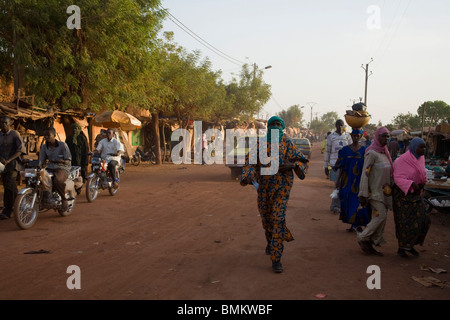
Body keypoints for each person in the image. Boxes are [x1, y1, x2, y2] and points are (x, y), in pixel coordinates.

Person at [240, 116, 309, 273]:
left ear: (282, 127)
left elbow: (302, 161)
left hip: (282, 188)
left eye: (279, 125)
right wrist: (249, 175)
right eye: (273, 125)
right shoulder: (259, 144)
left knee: (277, 218)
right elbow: (249, 162)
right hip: (264, 187)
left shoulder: (288, 143)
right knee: (266, 218)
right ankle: (270, 240)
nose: (276, 127)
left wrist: (292, 165)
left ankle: (276, 258)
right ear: (268, 127)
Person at [357, 127, 393, 256]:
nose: (386, 139)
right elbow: (365, 174)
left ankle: (370, 242)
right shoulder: (371, 153)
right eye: (384, 136)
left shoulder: (385, 153)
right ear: (378, 137)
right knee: (380, 215)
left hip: (385, 193)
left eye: (388, 136)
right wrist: (363, 193)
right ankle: (363, 237)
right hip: (374, 192)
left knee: (380, 217)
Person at [392, 137, 431, 258]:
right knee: (405, 222)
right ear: (414, 147)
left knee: (424, 220)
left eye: (424, 147)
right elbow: (397, 177)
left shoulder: (421, 159)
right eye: (421, 147)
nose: (423, 149)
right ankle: (402, 248)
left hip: (416, 194)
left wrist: (422, 182)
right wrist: (410, 184)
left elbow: (422, 173)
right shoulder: (401, 160)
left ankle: (411, 244)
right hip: (403, 196)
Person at [334, 128, 371, 232]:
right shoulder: (345, 150)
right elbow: (341, 166)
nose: (355, 137)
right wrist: (338, 181)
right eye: (354, 135)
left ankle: (356, 224)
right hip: (347, 180)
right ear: (351, 136)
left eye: (357, 136)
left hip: (360, 181)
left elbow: (367, 167)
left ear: (360, 136)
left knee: (357, 201)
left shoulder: (364, 150)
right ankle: (352, 224)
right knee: (347, 201)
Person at [38, 127, 72, 212]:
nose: (46, 137)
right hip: (50, 167)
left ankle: (64, 199)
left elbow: (68, 160)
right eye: (45, 135)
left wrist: (63, 161)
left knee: (57, 180)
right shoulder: (44, 147)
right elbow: (41, 160)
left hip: (62, 168)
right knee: (38, 179)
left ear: (54, 135)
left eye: (48, 135)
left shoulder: (62, 145)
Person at [0, 116, 26, 220]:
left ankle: (7, 210)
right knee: (9, 186)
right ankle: (19, 204)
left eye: (6, 123)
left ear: (10, 124)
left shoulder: (15, 134)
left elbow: (20, 150)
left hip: (14, 164)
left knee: (9, 185)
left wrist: (9, 160)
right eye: (1, 123)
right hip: (2, 164)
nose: (3, 125)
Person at [324, 119, 352, 213]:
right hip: (335, 165)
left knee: (346, 185)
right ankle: (334, 205)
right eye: (339, 125)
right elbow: (327, 151)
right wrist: (325, 166)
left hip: (347, 165)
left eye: (342, 125)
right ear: (336, 126)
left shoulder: (348, 136)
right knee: (337, 185)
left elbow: (352, 149)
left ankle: (343, 205)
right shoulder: (331, 137)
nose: (340, 127)